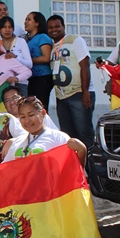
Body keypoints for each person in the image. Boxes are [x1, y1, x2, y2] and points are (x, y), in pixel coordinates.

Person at [47, 15, 96, 147]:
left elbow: (85, 64)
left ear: (63, 27)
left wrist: (85, 91)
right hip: (62, 97)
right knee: (68, 135)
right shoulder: (53, 47)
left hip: (78, 94)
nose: (54, 30)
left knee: (84, 133)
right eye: (50, 28)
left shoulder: (75, 40)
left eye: (57, 26)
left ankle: (89, 166)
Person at [2, 96, 87, 165]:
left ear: (43, 113)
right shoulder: (17, 142)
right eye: (23, 117)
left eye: (31, 115)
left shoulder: (58, 138)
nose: (27, 120)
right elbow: (4, 171)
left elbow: (73, 170)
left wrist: (81, 151)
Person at [24, 11, 54, 110]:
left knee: (40, 107)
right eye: (25, 19)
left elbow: (46, 57)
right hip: (33, 78)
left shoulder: (43, 37)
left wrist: (29, 61)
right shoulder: (28, 40)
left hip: (43, 78)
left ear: (37, 23)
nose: (26, 22)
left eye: (29, 19)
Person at [0, 16, 32, 95]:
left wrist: (16, 57)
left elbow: (30, 64)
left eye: (10, 27)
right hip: (4, 83)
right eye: (4, 27)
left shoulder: (20, 41)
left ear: (13, 29)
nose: (7, 30)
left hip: (21, 82)